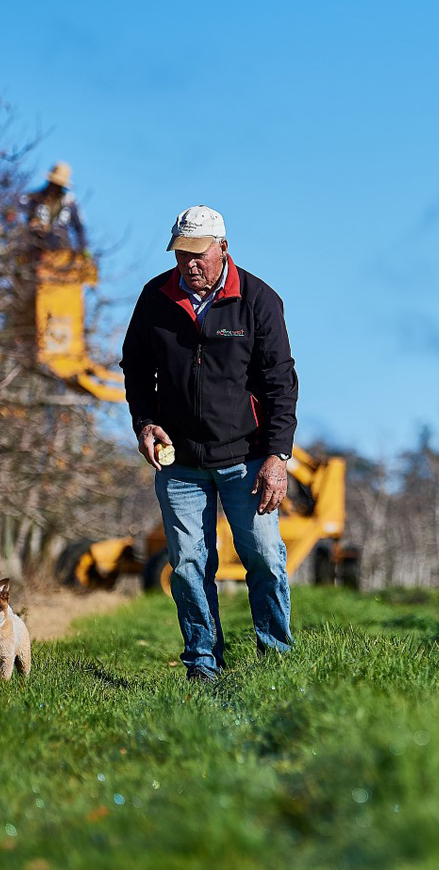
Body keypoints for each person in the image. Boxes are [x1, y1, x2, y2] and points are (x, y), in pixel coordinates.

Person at [120, 205, 298, 681]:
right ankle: (203, 664)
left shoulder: (258, 300)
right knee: (188, 565)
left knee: (264, 556)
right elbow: (135, 366)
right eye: (181, 254)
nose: (189, 264)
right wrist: (144, 421)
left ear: (223, 247)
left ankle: (274, 661)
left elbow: (281, 382)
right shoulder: (155, 297)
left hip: (248, 458)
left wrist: (278, 457)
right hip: (180, 463)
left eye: (198, 253)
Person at [25, 161, 87, 251]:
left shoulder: (70, 203)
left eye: (58, 185)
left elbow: (79, 228)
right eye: (53, 183)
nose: (54, 187)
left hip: (59, 247)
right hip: (34, 244)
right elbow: (21, 210)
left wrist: (83, 248)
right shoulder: (35, 198)